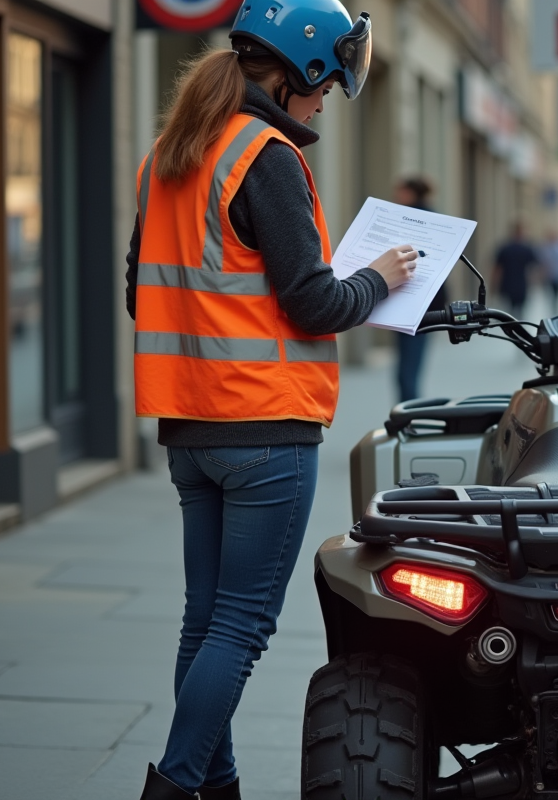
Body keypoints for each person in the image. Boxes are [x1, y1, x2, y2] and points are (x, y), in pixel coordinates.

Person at [123, 2, 418, 798]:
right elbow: (315, 303)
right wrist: (380, 279)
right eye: (323, 86)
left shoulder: (167, 157)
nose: (325, 102)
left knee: (205, 622)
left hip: (189, 429)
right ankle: (178, 785)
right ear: (295, 72)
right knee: (243, 627)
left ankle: (214, 786)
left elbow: (137, 295)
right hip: (265, 427)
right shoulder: (267, 156)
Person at [393, 176, 446, 401]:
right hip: (426, 299)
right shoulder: (434, 217)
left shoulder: (408, 219)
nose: (397, 197)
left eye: (401, 192)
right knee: (411, 363)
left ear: (411, 193)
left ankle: (408, 412)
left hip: (411, 298)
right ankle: (408, 409)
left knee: (407, 366)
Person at [493, 222, 538, 319]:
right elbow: (533, 269)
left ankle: (512, 327)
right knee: (519, 312)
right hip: (520, 285)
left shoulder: (505, 248)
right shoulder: (526, 248)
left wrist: (494, 285)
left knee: (510, 311)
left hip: (509, 284)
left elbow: (497, 269)